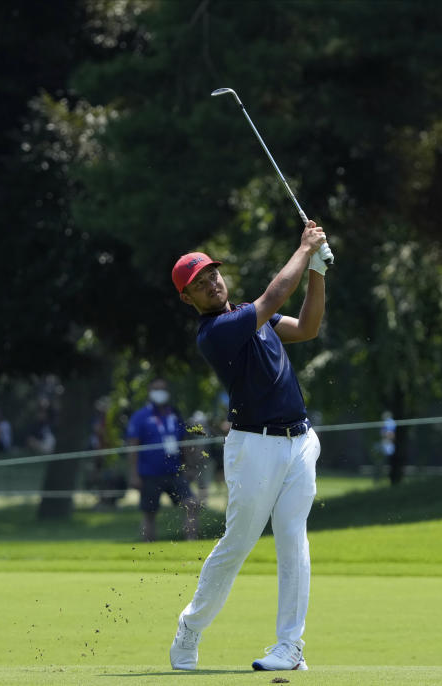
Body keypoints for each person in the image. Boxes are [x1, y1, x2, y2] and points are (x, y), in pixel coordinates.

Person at [168, 220, 329, 672]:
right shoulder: (217, 331)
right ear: (189, 299)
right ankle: (191, 626)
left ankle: (290, 646)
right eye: (199, 284)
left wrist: (317, 268)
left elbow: (309, 327)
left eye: (212, 275)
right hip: (253, 447)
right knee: (238, 543)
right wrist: (305, 248)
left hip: (299, 442)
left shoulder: (251, 316)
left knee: (293, 540)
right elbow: (275, 296)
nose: (211, 284)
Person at [126, 378, 199, 542]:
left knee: (191, 504)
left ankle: (191, 541)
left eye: (163, 389)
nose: (160, 392)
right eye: (156, 389)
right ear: (150, 392)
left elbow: (185, 444)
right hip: (150, 473)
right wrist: (133, 474)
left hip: (174, 471)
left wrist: (190, 466)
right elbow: (132, 446)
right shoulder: (140, 416)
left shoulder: (175, 415)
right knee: (149, 513)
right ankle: (147, 548)